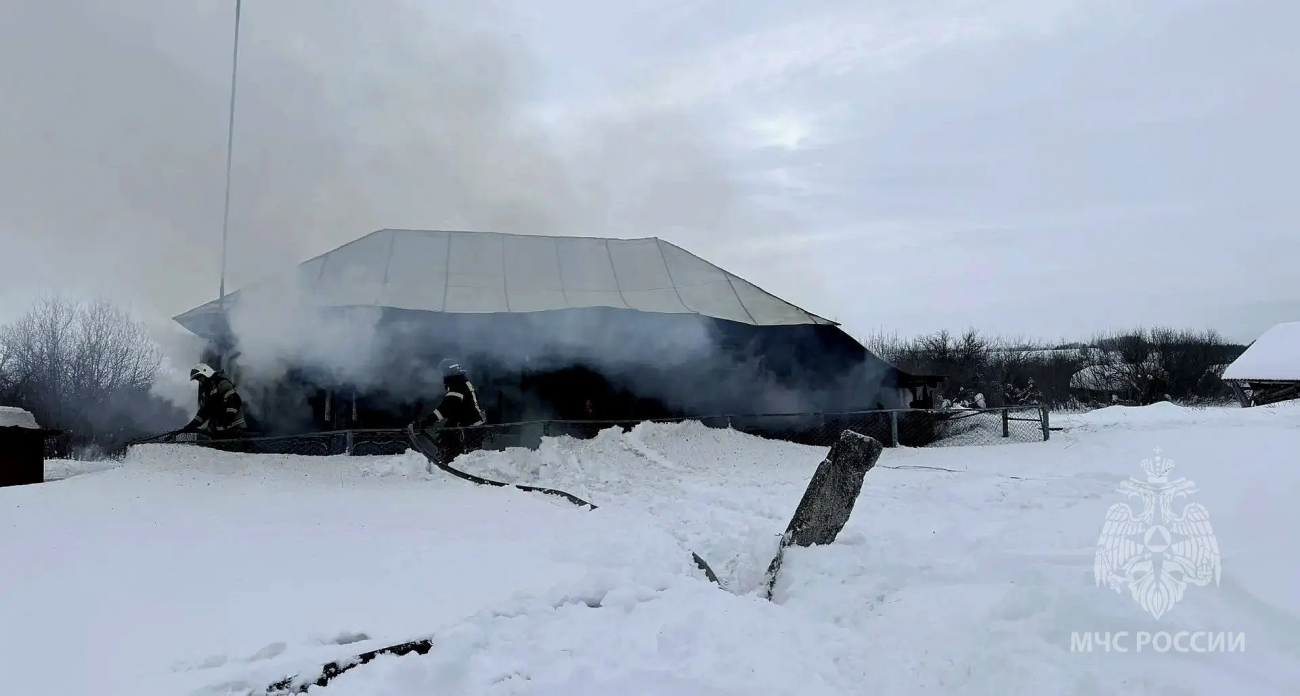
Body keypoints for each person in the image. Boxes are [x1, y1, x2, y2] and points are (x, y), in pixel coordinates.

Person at [409, 357, 487, 461]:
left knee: (455, 455)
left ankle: (449, 468)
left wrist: (426, 423)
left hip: (469, 429)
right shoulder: (462, 382)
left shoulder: (457, 386)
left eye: (443, 372)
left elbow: (445, 409)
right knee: (457, 451)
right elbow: (456, 409)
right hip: (472, 426)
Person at [180, 363, 248, 439]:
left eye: (201, 378)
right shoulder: (209, 391)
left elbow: (235, 402)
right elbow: (205, 411)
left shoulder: (222, 384)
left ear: (206, 373)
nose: (200, 381)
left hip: (234, 429)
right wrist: (192, 425)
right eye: (198, 379)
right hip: (221, 431)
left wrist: (226, 420)